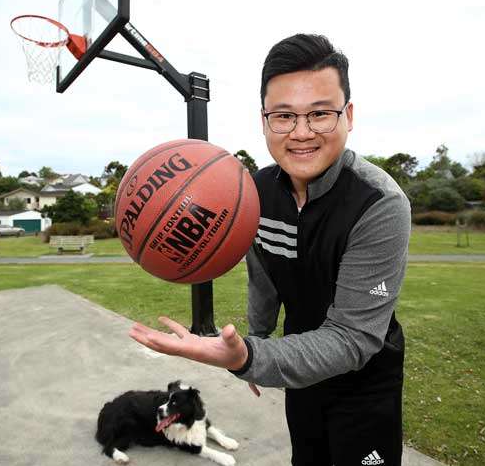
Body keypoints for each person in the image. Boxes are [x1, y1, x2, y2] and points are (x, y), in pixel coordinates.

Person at [130, 33, 411, 466]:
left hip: (364, 376)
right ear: (264, 120)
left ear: (348, 115)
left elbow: (353, 338)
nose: (301, 133)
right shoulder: (251, 191)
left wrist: (252, 357)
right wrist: (257, 336)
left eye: (320, 114)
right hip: (298, 364)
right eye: (284, 116)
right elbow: (263, 274)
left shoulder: (379, 204)